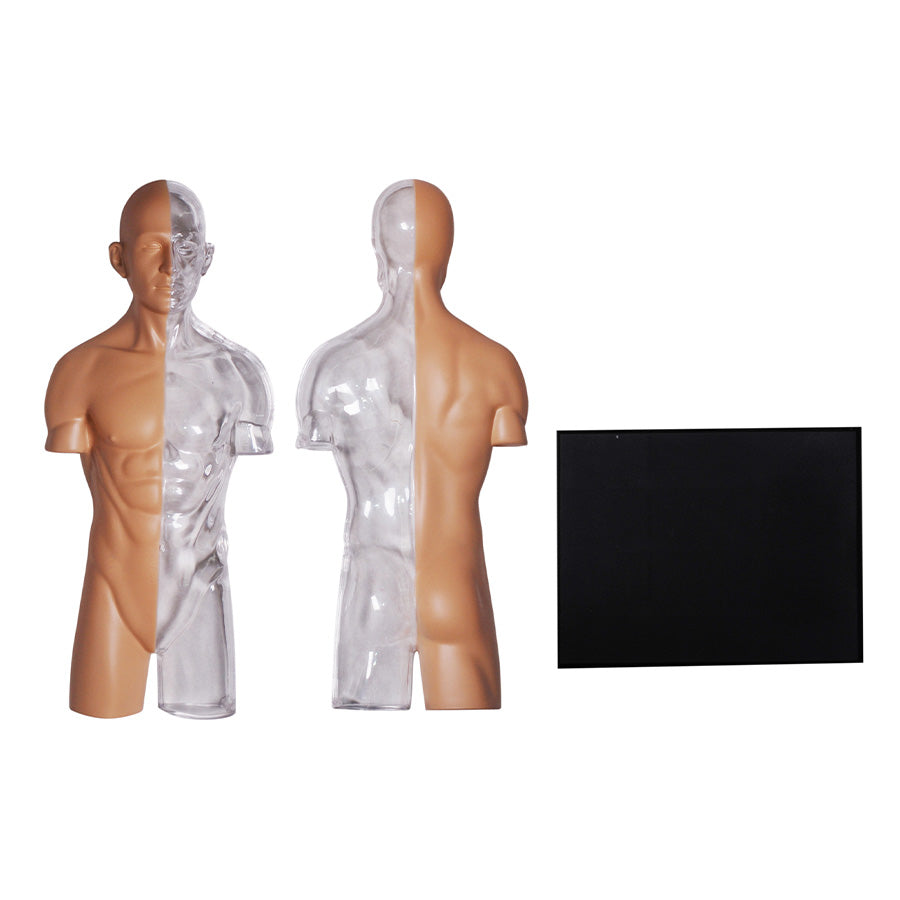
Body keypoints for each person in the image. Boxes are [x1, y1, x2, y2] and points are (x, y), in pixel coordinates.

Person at [45, 181, 272, 718]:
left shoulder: (239, 375)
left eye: (188, 249)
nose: (173, 267)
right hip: (111, 587)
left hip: (201, 587)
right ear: (119, 258)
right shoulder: (80, 372)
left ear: (208, 259)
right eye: (153, 248)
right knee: (96, 736)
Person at [297, 180, 527, 709]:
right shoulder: (497, 367)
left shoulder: (332, 369)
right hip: (457, 586)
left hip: (376, 589)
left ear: (378, 251)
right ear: (449, 251)